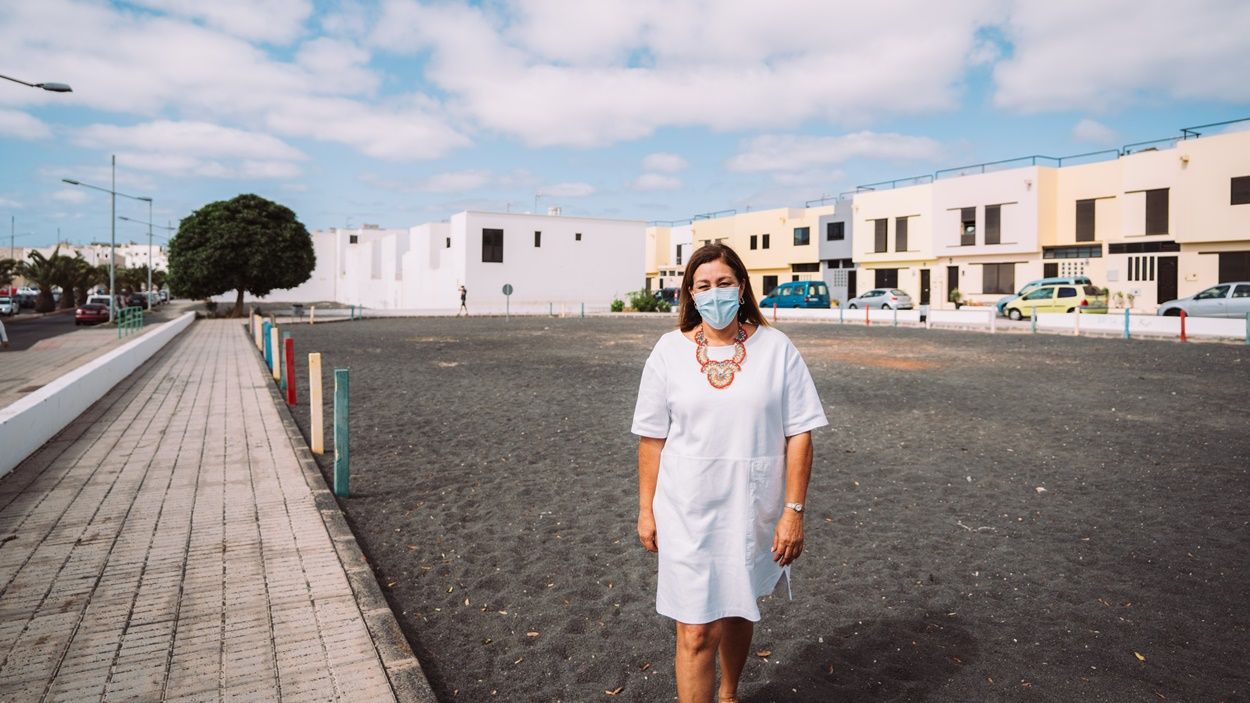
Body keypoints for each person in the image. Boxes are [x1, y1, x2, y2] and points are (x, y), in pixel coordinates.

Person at [632, 243, 827, 703]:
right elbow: (652, 438)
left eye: (723, 283)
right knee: (696, 628)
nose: (713, 293)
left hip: (752, 505)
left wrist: (793, 511)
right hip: (685, 509)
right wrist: (646, 510)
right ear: (689, 294)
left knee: (741, 607)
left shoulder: (776, 348)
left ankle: (729, 694)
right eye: (703, 286)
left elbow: (799, 433)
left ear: (741, 288)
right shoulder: (667, 351)